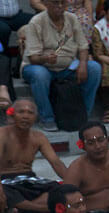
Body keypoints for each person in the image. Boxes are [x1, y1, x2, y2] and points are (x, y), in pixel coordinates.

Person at [21, 0, 102, 131]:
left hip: (67, 66)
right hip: (40, 65)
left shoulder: (72, 18)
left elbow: (83, 46)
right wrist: (45, 58)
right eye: (55, 3)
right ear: (47, 4)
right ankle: (47, 118)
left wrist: (82, 64)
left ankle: (83, 114)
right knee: (39, 75)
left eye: (62, 3)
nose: (59, 6)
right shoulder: (36, 21)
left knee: (94, 68)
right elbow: (33, 57)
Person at [0, 99, 67, 213]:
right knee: (4, 193)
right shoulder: (2, 134)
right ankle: (45, 208)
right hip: (5, 181)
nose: (25, 116)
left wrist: (71, 182)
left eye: (30, 113)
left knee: (60, 189)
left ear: (35, 117)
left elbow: (56, 162)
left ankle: (20, 208)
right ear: (12, 114)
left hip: (29, 180)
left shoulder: (39, 137)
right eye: (21, 112)